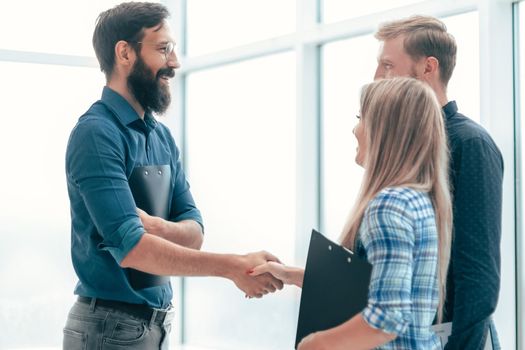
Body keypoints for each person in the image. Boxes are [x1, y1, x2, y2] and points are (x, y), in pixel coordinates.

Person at [63, 2, 282, 349]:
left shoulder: (160, 136)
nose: (175, 62)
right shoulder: (96, 134)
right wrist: (233, 267)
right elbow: (133, 249)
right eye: (163, 49)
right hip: (109, 328)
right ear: (124, 53)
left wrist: (158, 227)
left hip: (156, 325)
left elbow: (195, 231)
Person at [252, 77, 453, 349]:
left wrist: (316, 344)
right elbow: (377, 288)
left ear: (384, 130)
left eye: (361, 118)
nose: (354, 129)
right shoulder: (417, 200)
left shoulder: (388, 205)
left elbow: (387, 318)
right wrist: (292, 275)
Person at [372, 16, 503, 349]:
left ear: (428, 68)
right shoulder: (407, 147)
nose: (377, 78)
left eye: (388, 65)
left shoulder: (469, 144)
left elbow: (478, 277)